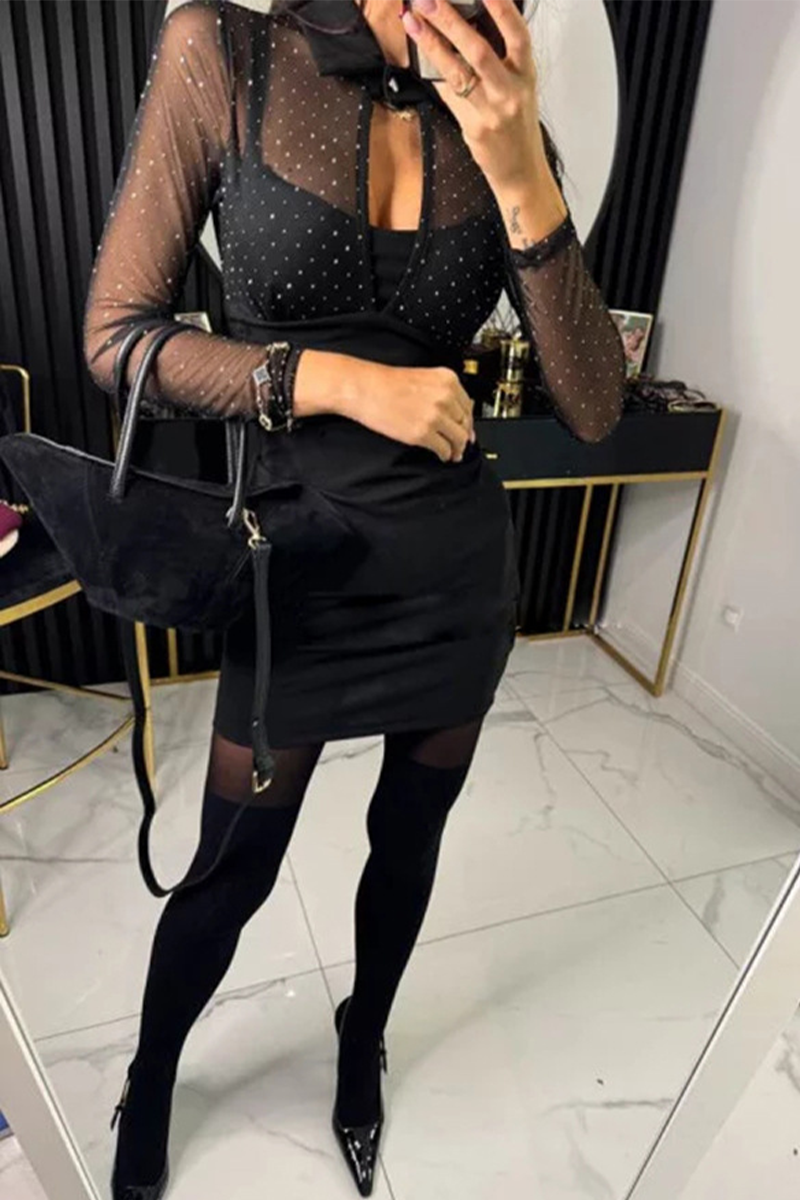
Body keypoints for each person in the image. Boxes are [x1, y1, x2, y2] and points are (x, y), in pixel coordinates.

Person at [82, 0, 626, 1195]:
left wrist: (520, 165)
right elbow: (119, 340)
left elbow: (593, 407)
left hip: (449, 575)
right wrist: (335, 382)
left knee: (408, 841)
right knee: (233, 868)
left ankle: (360, 1034)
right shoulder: (225, 53)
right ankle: (155, 1070)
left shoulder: (500, 117)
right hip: (293, 572)